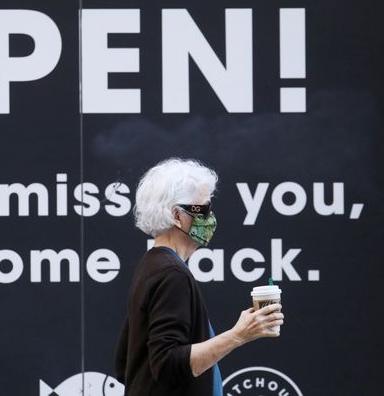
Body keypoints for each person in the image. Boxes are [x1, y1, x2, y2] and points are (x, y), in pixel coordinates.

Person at [114, 158, 284, 395]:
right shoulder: (171, 274)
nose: (210, 217)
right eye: (203, 209)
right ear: (176, 216)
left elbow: (125, 363)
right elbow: (167, 365)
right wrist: (239, 335)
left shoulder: (151, 266)